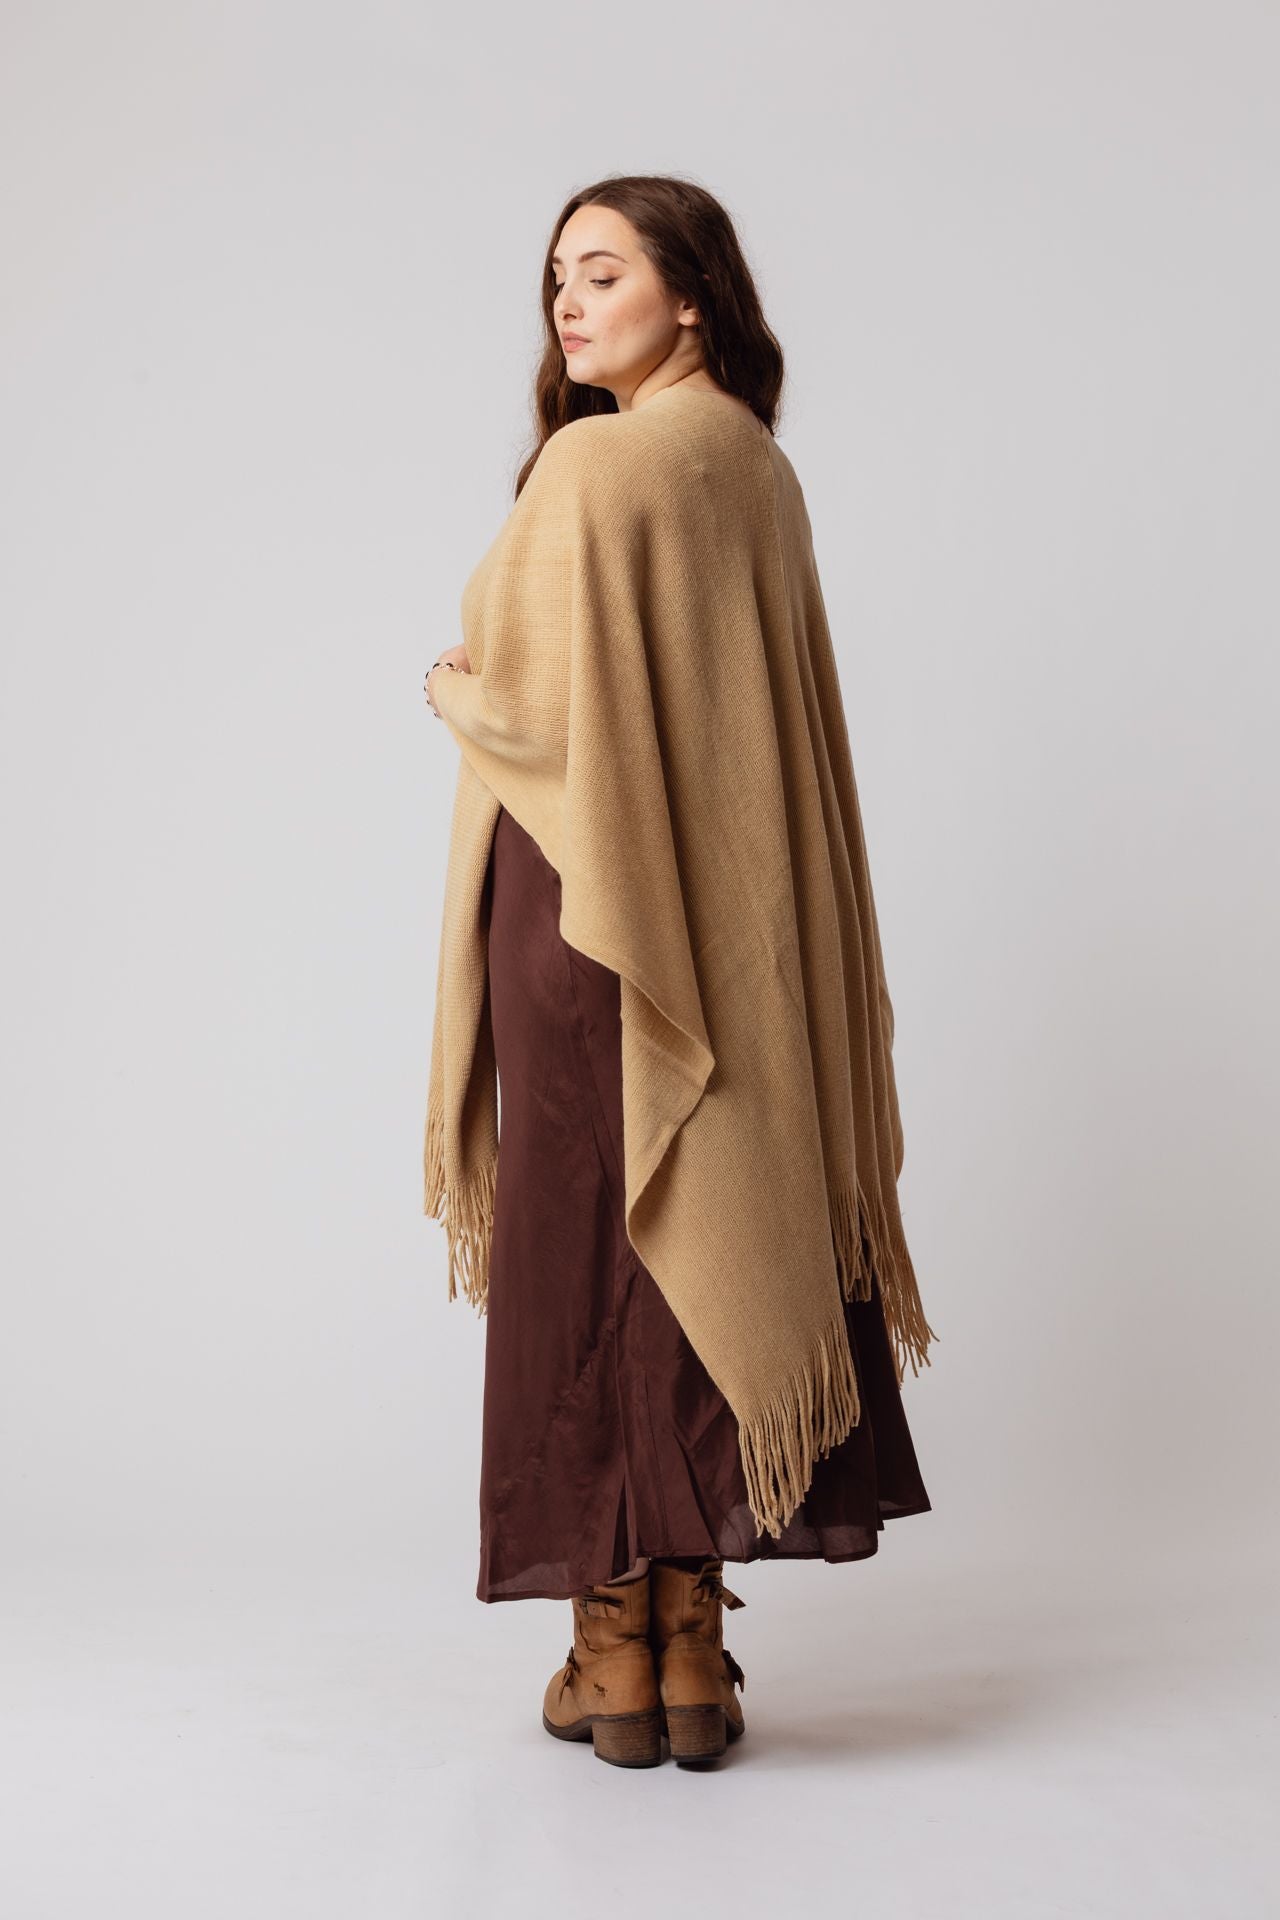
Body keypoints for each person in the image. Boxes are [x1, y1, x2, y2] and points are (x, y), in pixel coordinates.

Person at [423, 174, 937, 1770]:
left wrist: (451, 688)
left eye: (603, 273)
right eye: (555, 281)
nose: (568, 306)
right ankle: (691, 1647)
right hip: (726, 928)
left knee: (586, 1245)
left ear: (692, 292)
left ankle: (611, 1648)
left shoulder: (594, 462)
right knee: (697, 1222)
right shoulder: (755, 471)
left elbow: (532, 708)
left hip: (583, 909)